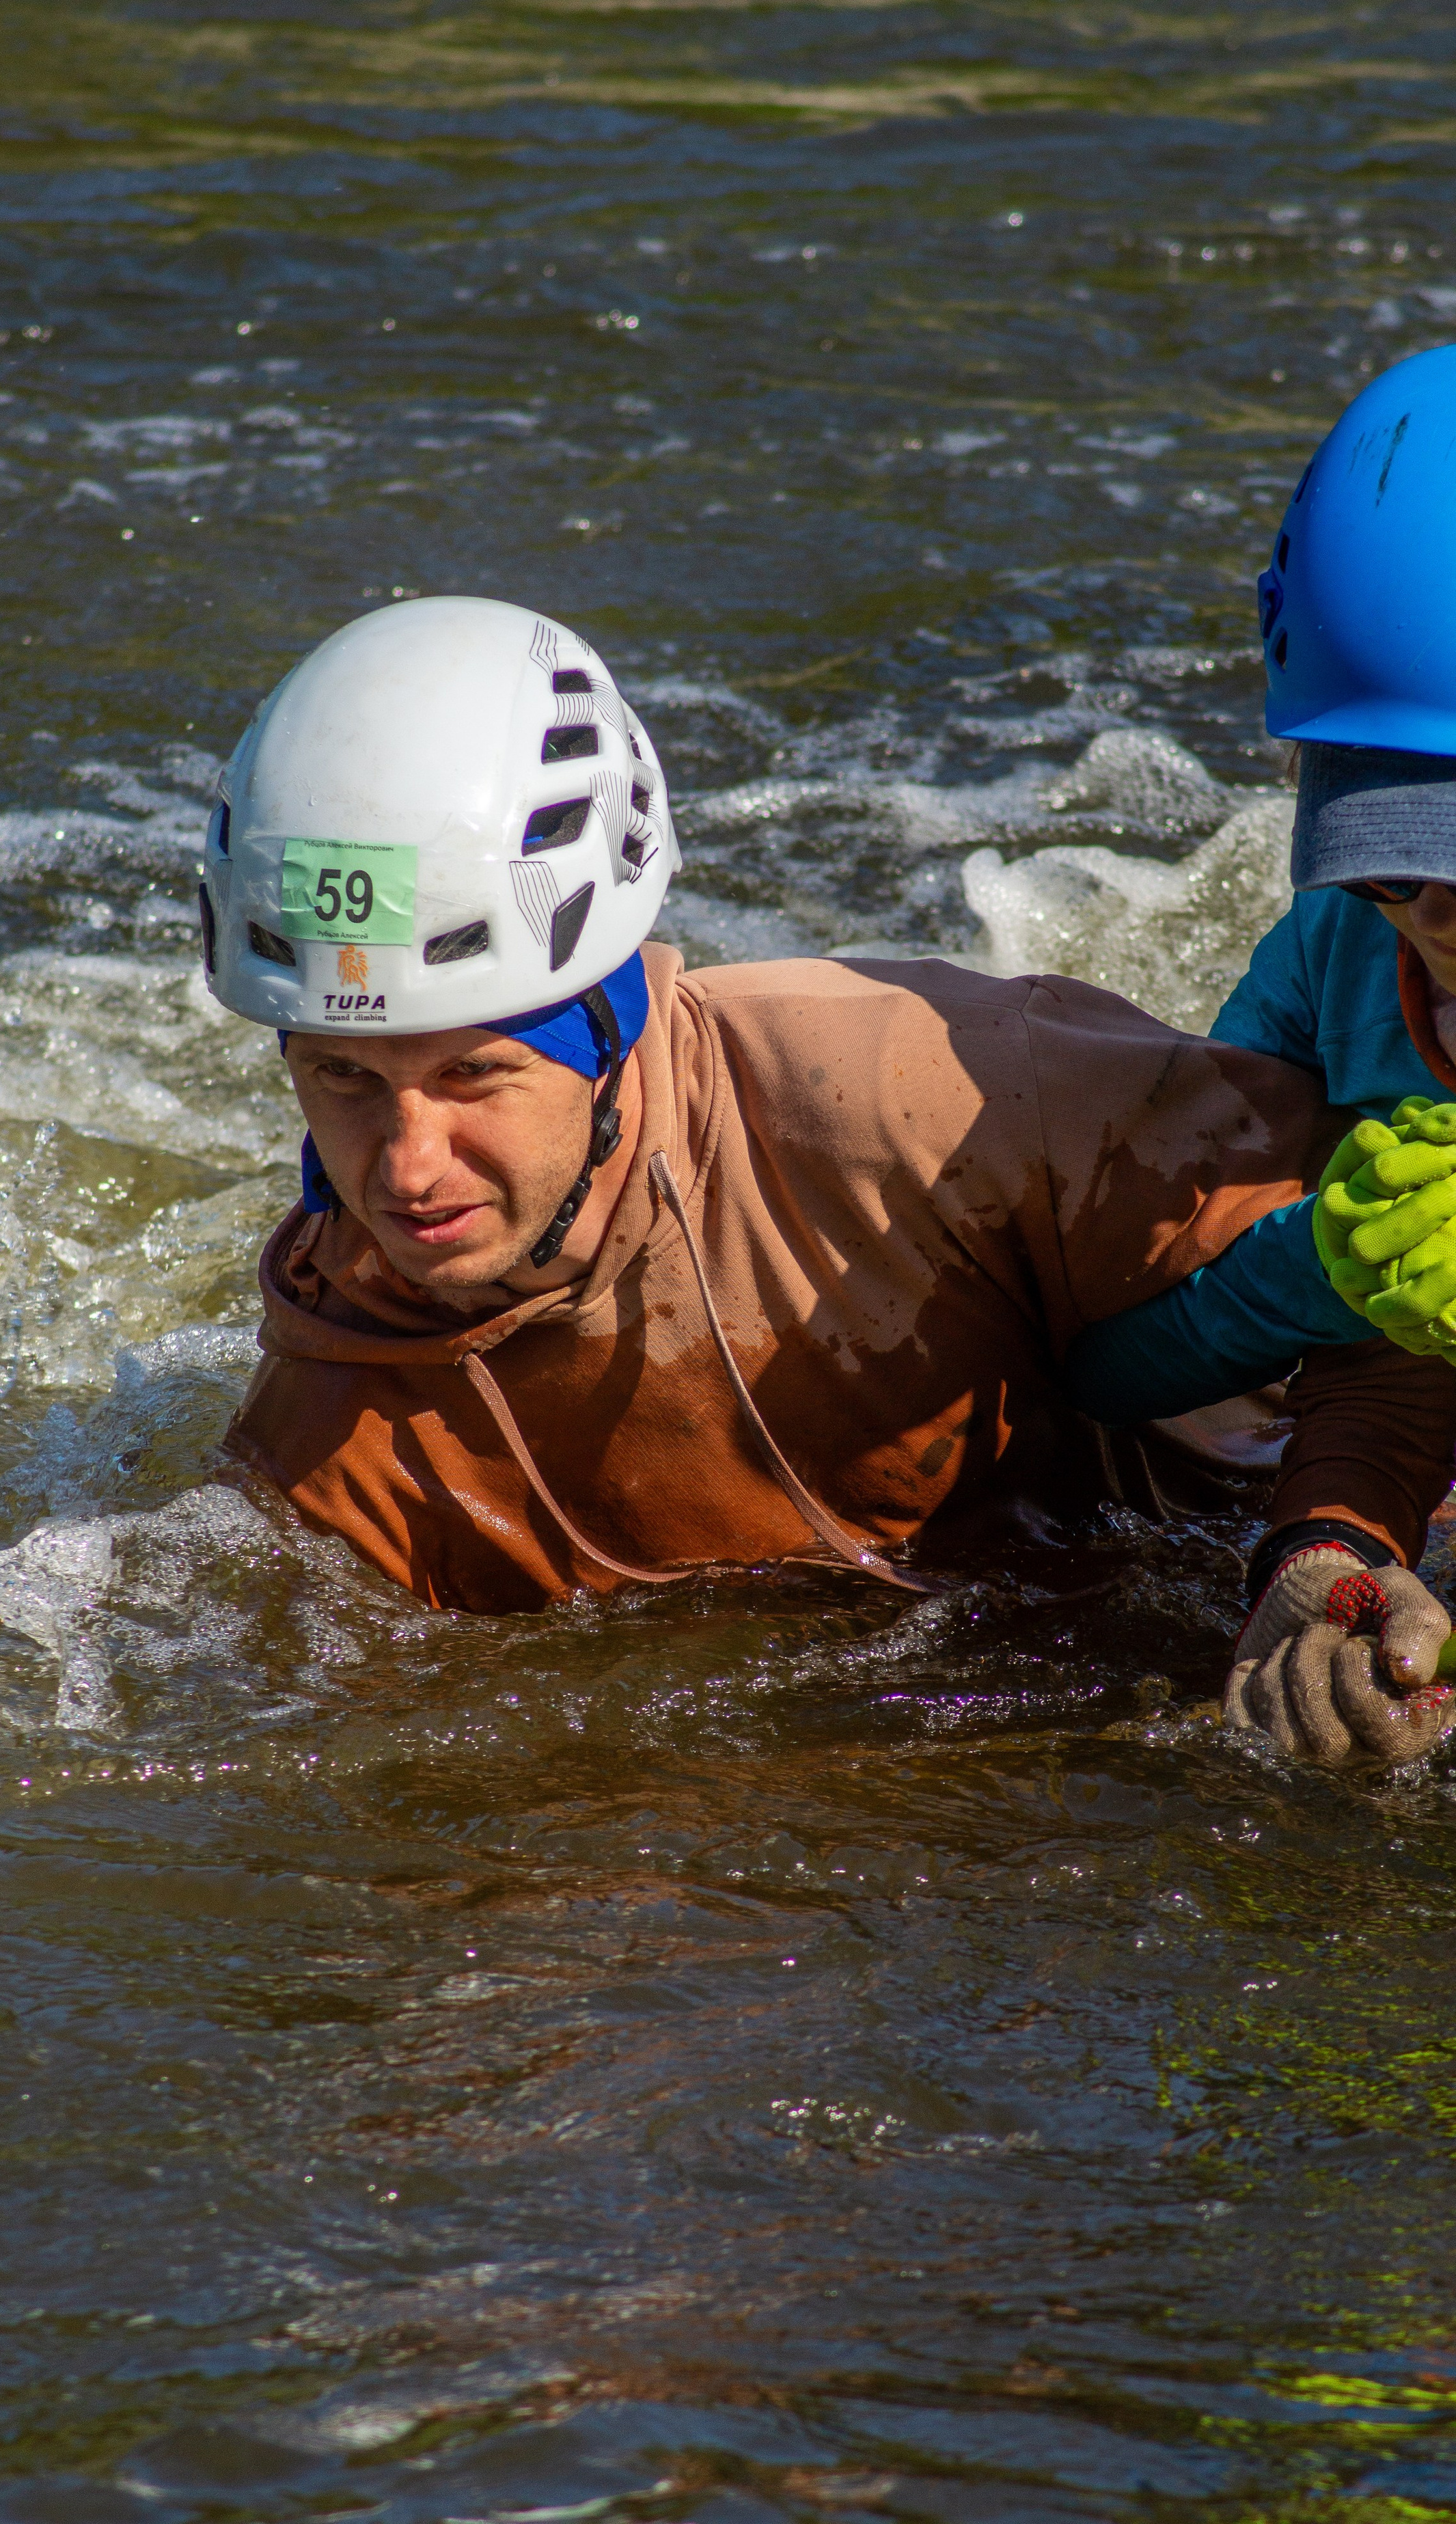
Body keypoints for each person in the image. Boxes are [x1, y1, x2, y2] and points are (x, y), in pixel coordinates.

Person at [202, 593, 1456, 1764]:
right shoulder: (334, 1433)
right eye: (344, 1081)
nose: (407, 1170)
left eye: (473, 1077)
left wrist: (1329, 1548)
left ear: (608, 1026)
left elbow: (1394, 1284)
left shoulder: (944, 1096)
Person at [1062, 347, 1456, 1755]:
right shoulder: (1332, 961)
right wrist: (1321, 1558)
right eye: (1393, 861)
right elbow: (1113, 1360)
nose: (1436, 917)